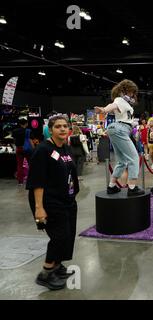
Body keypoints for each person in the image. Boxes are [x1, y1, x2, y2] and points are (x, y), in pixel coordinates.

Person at [26, 114, 79, 290]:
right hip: (49, 200)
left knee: (68, 235)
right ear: (50, 129)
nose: (63, 129)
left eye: (65, 126)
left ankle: (57, 266)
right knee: (59, 236)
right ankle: (46, 273)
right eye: (58, 126)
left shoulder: (66, 148)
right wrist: (39, 208)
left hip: (67, 199)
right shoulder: (42, 150)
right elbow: (37, 181)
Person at [95, 79, 145, 196]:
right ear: (125, 90)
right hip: (120, 129)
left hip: (118, 129)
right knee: (134, 158)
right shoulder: (120, 100)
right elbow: (112, 105)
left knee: (122, 161)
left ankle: (111, 186)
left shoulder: (126, 103)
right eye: (132, 92)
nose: (133, 94)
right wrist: (103, 110)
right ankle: (132, 188)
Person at [12, 118, 33, 185]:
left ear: (20, 123)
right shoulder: (28, 131)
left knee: (19, 165)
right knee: (30, 164)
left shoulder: (15, 131)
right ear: (26, 123)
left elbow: (14, 140)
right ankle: (31, 179)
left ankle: (20, 181)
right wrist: (34, 148)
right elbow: (30, 140)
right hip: (27, 149)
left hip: (19, 148)